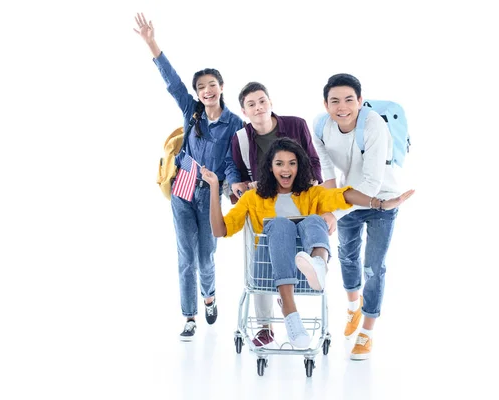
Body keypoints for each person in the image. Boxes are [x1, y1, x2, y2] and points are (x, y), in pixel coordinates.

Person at [200, 138, 414, 348]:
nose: (286, 169)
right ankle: (290, 312)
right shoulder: (253, 197)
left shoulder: (311, 193)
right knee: (280, 225)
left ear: (300, 166)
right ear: (270, 167)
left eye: (292, 163)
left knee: (314, 219)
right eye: (279, 163)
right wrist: (213, 187)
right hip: (268, 268)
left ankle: (318, 266)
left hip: (305, 270)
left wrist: (378, 203)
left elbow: (343, 195)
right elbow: (220, 230)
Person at [133, 13, 243, 341]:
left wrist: (232, 183)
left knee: (206, 255)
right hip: (182, 188)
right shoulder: (191, 110)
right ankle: (189, 315)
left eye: (212, 85)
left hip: (211, 194)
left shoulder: (235, 123)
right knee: (185, 255)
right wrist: (151, 42)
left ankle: (209, 297)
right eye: (201, 87)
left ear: (222, 87)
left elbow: (235, 161)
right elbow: (172, 82)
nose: (207, 91)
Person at [313, 73, 408, 359]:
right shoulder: (319, 126)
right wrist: (330, 209)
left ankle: (367, 330)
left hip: (383, 199)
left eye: (349, 100)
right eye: (335, 101)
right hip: (347, 197)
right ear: (326, 104)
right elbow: (327, 173)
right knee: (346, 256)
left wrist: (335, 213)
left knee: (374, 266)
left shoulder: (374, 126)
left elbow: (371, 184)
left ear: (360, 101)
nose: (342, 107)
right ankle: (353, 308)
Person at [230, 82, 324, 348]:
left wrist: (314, 182)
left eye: (262, 101)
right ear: (244, 111)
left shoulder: (296, 125)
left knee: (306, 236)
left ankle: (314, 270)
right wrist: (237, 186)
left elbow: (313, 160)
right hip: (266, 205)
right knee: (260, 258)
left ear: (270, 102)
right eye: (251, 104)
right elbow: (236, 173)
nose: (258, 108)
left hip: (300, 201)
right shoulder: (241, 139)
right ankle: (264, 326)